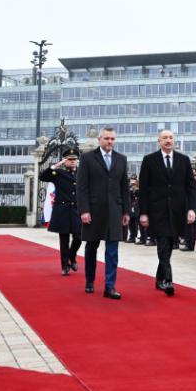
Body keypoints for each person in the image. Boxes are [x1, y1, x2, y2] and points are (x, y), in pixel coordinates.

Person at [138, 130, 196, 296]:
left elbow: (191, 187)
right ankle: (168, 280)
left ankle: (158, 278)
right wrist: (143, 213)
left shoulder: (183, 160)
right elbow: (143, 189)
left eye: (171, 137)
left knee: (170, 244)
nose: (168, 140)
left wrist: (192, 208)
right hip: (157, 211)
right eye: (164, 138)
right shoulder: (149, 160)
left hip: (177, 211)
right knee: (163, 243)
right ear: (159, 141)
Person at [76, 127, 130, 300]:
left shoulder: (121, 159)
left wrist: (126, 211)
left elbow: (124, 187)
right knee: (91, 248)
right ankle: (90, 280)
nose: (110, 142)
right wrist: (84, 210)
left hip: (114, 211)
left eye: (112, 139)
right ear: (100, 139)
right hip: (93, 211)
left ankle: (110, 286)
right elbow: (82, 187)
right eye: (107, 138)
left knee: (113, 251)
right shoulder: (87, 158)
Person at [39, 147, 82, 276]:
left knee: (78, 238)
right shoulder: (58, 173)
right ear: (65, 161)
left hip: (76, 210)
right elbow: (42, 177)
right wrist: (55, 166)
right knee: (64, 240)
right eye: (70, 159)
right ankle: (65, 266)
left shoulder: (81, 173)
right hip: (62, 210)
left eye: (74, 159)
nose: (73, 161)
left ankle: (72, 256)